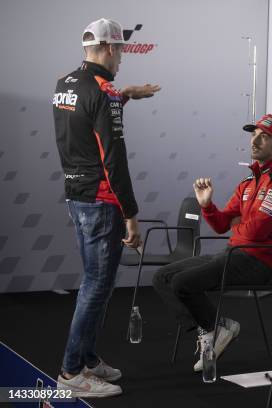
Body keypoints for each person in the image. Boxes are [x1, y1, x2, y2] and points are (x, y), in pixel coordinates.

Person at [52, 18, 161, 397]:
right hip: (101, 201)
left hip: (77, 196)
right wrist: (131, 216)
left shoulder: (65, 83)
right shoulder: (104, 91)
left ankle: (87, 358)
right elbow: (114, 160)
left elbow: (86, 115)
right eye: (122, 53)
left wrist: (123, 95)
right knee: (96, 285)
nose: (121, 61)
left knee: (97, 284)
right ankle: (70, 373)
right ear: (111, 49)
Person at [153, 113, 272, 372]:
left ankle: (213, 329)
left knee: (182, 283)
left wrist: (238, 228)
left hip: (262, 263)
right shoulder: (247, 182)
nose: (255, 141)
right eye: (253, 135)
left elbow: (255, 234)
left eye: (264, 137)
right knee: (163, 277)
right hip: (235, 252)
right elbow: (222, 225)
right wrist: (207, 205)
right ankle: (213, 328)